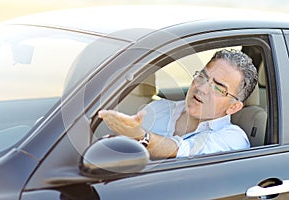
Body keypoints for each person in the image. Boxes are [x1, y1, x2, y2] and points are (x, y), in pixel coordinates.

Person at [98, 49, 258, 160]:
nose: (201, 88)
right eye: (202, 77)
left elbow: (184, 151)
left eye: (217, 87)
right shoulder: (158, 108)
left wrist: (141, 136)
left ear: (233, 107)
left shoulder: (233, 139)